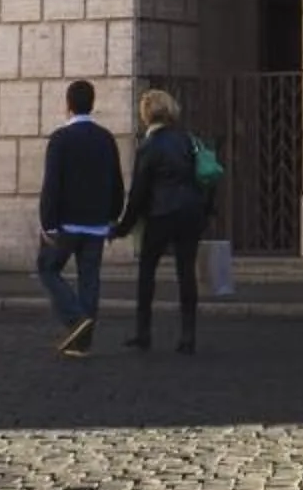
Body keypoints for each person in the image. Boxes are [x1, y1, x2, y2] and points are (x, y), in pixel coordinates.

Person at [111, 87, 211, 355]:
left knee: (147, 271)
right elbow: (206, 177)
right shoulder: (189, 140)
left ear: (147, 113)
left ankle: (144, 332)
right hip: (190, 212)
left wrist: (123, 226)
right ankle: (188, 335)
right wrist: (206, 212)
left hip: (161, 213)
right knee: (186, 272)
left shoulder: (149, 146)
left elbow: (139, 192)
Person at [36, 83, 125, 354]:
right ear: (92, 102)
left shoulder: (61, 139)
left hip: (67, 224)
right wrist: (113, 216)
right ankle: (82, 343)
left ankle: (76, 319)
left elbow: (52, 184)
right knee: (90, 280)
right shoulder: (106, 138)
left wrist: (48, 222)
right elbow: (117, 181)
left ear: (68, 104)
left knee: (48, 269)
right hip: (97, 223)